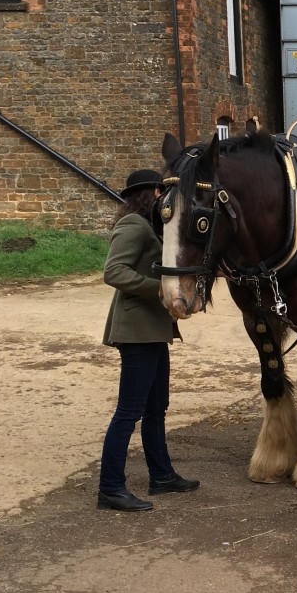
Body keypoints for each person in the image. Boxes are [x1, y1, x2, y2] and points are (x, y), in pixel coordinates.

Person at [97, 168, 200, 511]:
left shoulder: (152, 228)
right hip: (137, 331)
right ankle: (110, 487)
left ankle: (162, 476)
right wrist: (160, 290)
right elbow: (114, 271)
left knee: (157, 408)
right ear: (149, 194)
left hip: (154, 330)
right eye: (160, 192)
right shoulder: (133, 225)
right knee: (129, 411)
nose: (164, 199)